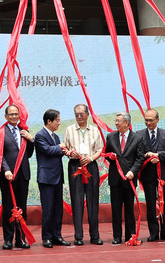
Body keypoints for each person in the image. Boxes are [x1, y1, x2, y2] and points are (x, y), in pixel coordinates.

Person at [0, 104, 35, 250]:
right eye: (11, 114)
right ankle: (8, 239)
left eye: (16, 114)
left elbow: (29, 154)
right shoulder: (0, 132)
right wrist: (5, 170)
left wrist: (31, 140)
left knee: (22, 208)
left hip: (23, 174)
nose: (14, 116)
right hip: (8, 176)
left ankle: (21, 239)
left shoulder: (24, 131)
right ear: (6, 116)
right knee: (8, 208)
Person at [63, 103, 104, 245]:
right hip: (75, 166)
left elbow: (100, 149)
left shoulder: (94, 130)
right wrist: (70, 153)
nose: (79, 117)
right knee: (77, 201)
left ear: (87, 114)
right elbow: (65, 148)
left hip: (90, 166)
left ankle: (95, 236)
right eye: (76, 114)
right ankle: (78, 236)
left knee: (93, 201)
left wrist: (91, 158)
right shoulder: (69, 130)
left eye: (81, 114)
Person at [137, 109, 165, 242]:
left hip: (163, 175)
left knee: (164, 203)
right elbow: (138, 153)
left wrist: (158, 155)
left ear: (157, 120)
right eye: (146, 120)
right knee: (150, 204)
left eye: (151, 120)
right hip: (147, 174)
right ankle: (153, 233)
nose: (148, 123)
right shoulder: (139, 134)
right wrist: (148, 156)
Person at [104, 112, 144, 245]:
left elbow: (140, 158)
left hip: (129, 179)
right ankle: (116, 236)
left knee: (129, 209)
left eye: (119, 121)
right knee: (116, 209)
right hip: (115, 179)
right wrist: (110, 157)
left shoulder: (137, 138)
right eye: (115, 121)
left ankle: (130, 235)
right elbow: (107, 154)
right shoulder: (110, 137)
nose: (116, 123)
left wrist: (133, 171)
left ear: (126, 123)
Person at [34, 109, 70, 248]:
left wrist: (65, 151)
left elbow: (56, 152)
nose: (59, 123)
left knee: (57, 209)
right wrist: (60, 147)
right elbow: (48, 150)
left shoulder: (55, 136)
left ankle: (57, 236)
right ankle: (47, 237)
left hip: (57, 177)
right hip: (46, 178)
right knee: (48, 209)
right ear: (49, 121)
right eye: (57, 120)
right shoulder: (40, 135)